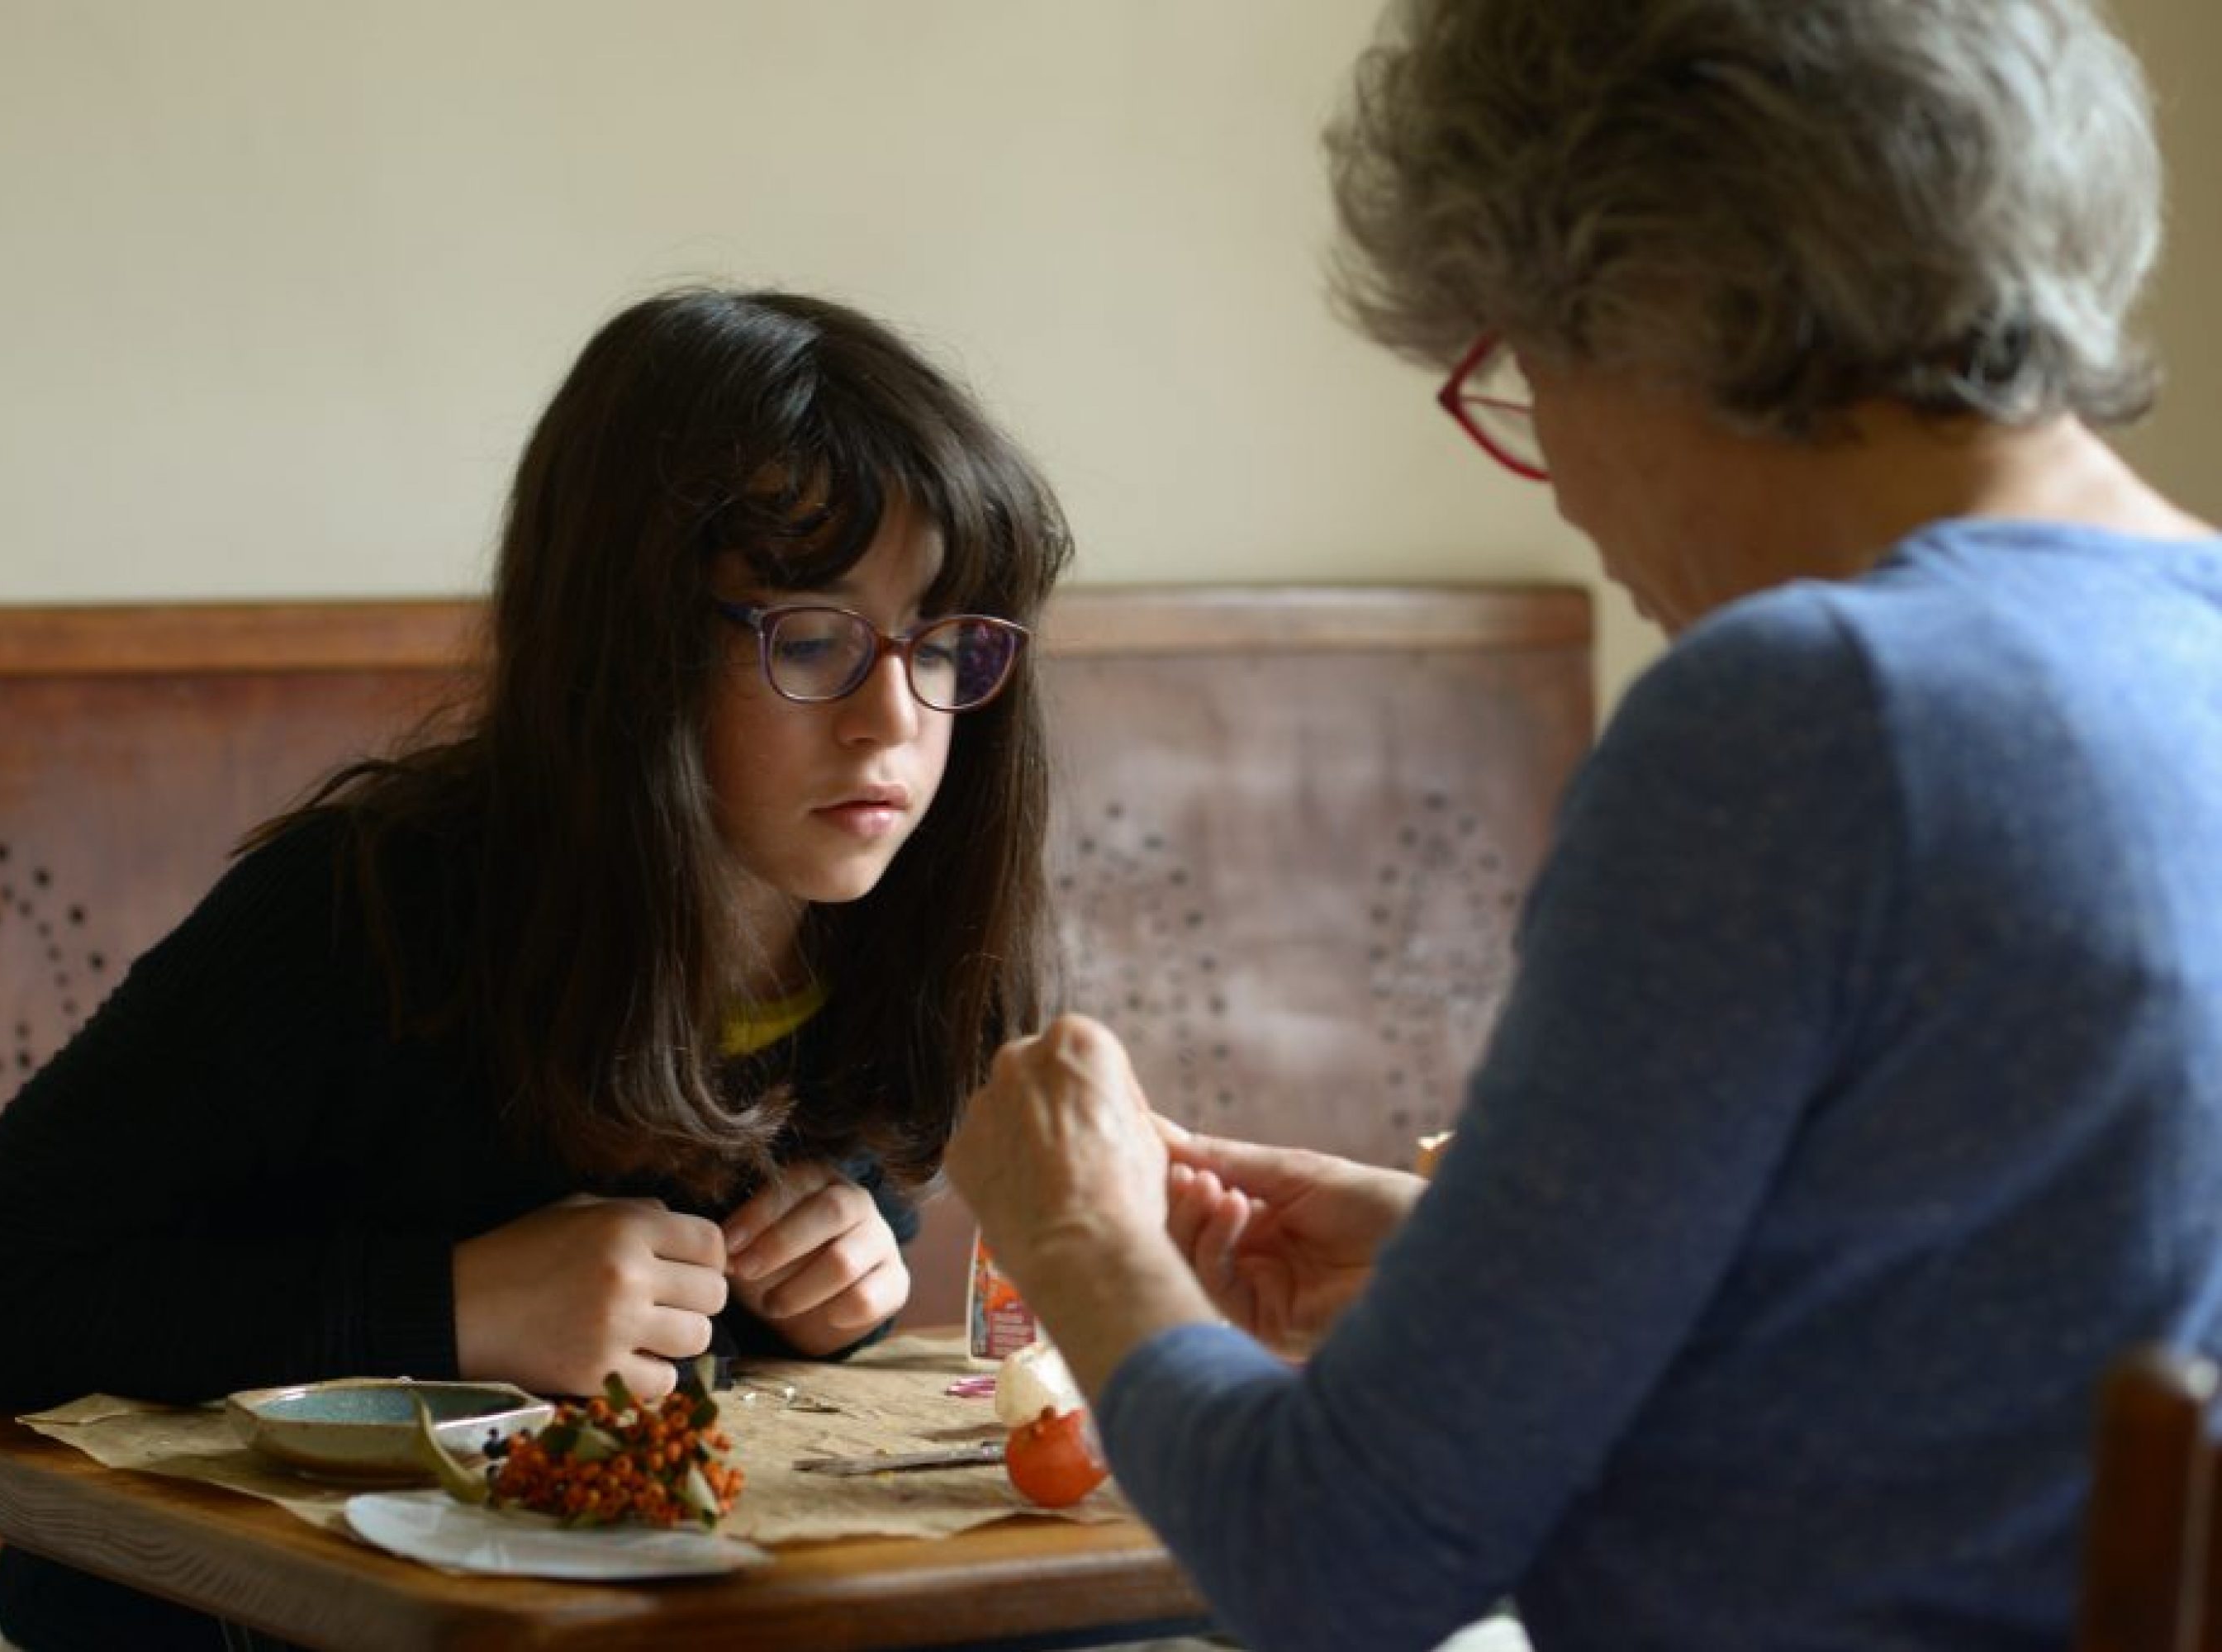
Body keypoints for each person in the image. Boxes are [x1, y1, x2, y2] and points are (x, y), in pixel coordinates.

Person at [945, 2, 2222, 1648]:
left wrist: (1076, 1232)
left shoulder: (1809, 713)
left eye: (1522, 373)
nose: (1555, 483)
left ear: (1661, 295)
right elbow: (1987, 1348)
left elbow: (1336, 1561)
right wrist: (1477, 1275)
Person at [0, 287, 1073, 1649]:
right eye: (811, 637)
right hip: (225, 1620)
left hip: (607, 1604)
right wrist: (450, 1307)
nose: (893, 721)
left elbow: (744, 1285)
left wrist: (843, 1254)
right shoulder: (359, 914)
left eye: (943, 643)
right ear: (629, 646)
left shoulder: (899, 923)